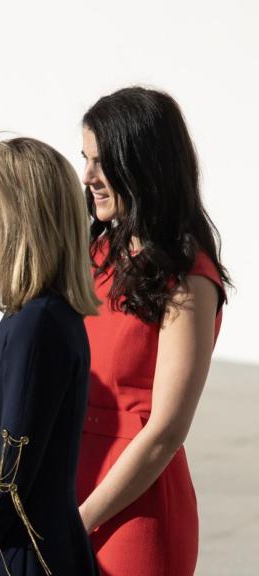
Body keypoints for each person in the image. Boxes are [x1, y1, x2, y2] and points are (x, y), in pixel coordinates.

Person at [75, 87, 230, 575]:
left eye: (102, 162)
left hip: (132, 513)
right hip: (68, 487)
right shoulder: (94, 255)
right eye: (86, 160)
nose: (88, 177)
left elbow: (164, 431)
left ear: (142, 164)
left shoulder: (188, 278)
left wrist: (79, 522)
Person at [0, 136, 100, 575]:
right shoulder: (35, 316)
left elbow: (9, 473)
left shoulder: (39, 323)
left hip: (16, 558)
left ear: (13, 215)